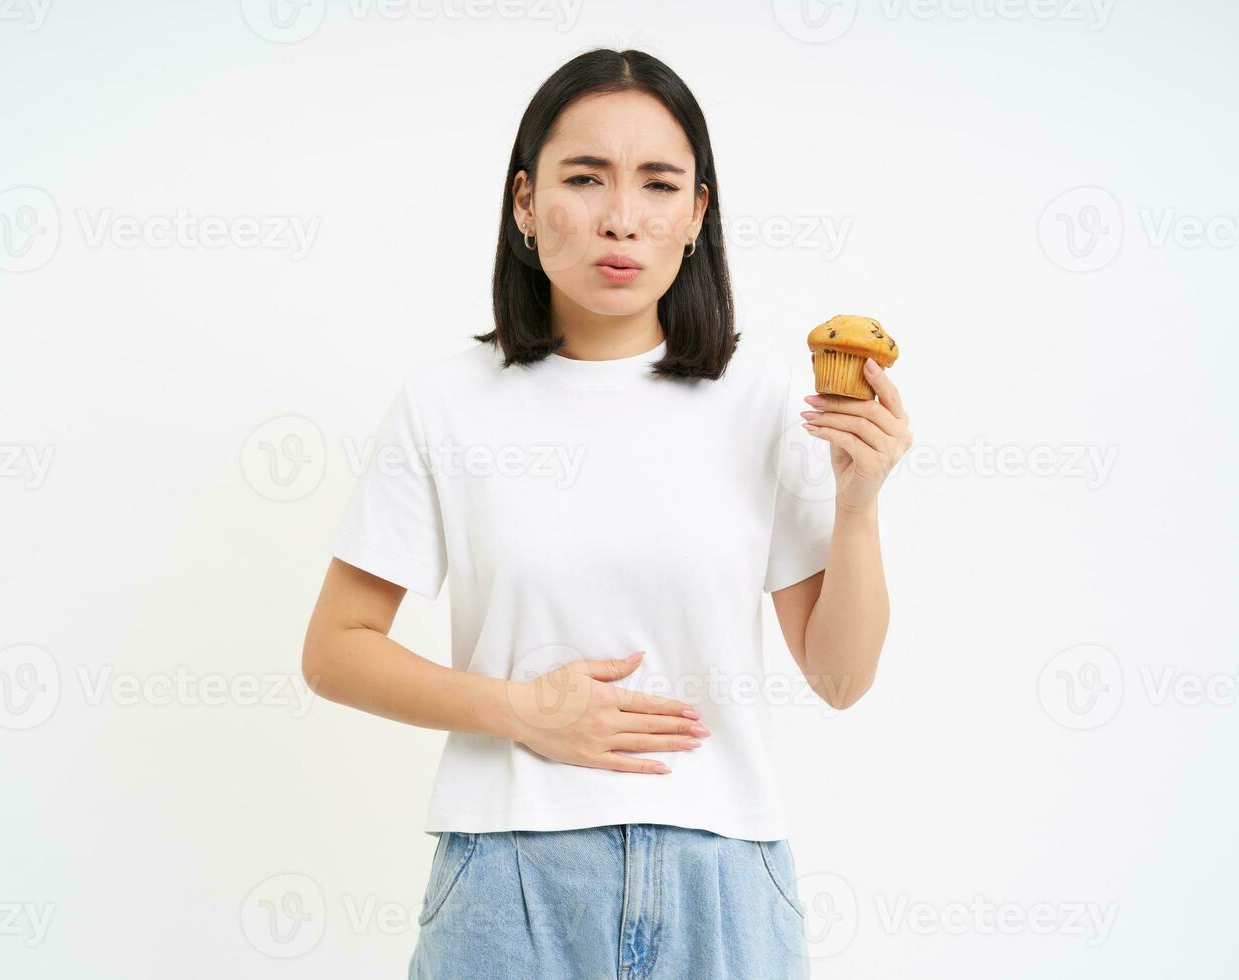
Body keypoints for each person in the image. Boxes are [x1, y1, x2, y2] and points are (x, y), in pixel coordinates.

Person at [301, 47, 912, 980]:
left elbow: (840, 678)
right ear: (523, 202)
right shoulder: (447, 403)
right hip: (506, 880)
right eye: (584, 179)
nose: (621, 218)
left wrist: (858, 505)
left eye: (659, 185)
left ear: (697, 215)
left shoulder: (762, 404)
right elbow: (336, 647)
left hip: (723, 880)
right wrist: (521, 711)